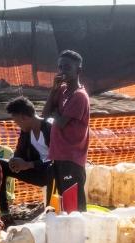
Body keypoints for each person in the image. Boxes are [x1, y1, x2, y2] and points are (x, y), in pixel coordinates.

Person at [42, 49, 89, 212]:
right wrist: (53, 90)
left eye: (67, 68)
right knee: (64, 201)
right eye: (60, 67)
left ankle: (82, 233)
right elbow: (45, 113)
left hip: (72, 158)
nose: (62, 72)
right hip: (59, 155)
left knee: (75, 204)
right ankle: (69, 233)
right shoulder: (62, 91)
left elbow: (61, 122)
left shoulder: (79, 95)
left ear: (78, 71)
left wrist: (56, 112)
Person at [1, 96, 54, 214]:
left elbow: (57, 158)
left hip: (52, 173)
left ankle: (50, 211)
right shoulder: (26, 132)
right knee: (0, 164)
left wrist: (29, 165)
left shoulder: (49, 128)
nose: (17, 125)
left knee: (52, 168)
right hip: (36, 170)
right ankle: (4, 212)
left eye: (17, 122)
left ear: (24, 117)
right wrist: (14, 161)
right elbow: (19, 151)